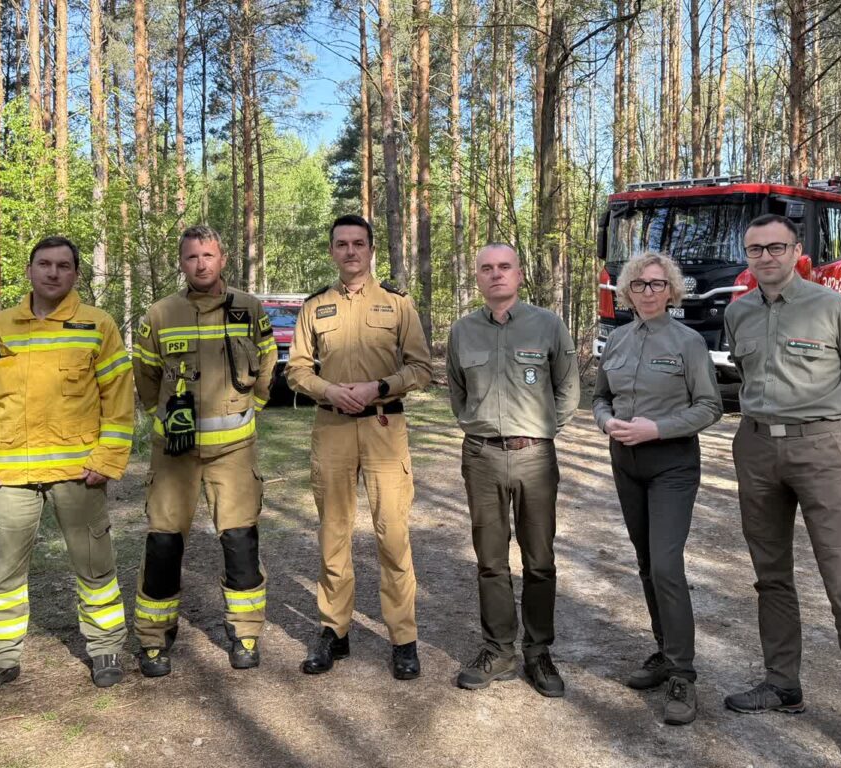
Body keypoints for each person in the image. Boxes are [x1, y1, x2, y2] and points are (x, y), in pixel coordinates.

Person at [723, 214, 841, 762]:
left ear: (797, 251)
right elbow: (746, 379)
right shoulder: (737, 312)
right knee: (770, 576)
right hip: (755, 449)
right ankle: (782, 685)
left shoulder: (834, 309)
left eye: (776, 247)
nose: (766, 257)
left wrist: (828, 439)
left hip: (820, 449)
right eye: (755, 249)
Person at [0, 236, 134, 699]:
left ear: (76, 273)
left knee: (95, 568)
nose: (53, 273)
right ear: (30, 270)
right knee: (2, 574)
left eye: (63, 265)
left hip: (79, 472)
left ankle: (106, 649)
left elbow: (118, 401)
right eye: (45, 264)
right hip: (11, 475)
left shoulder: (97, 325)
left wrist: (107, 459)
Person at [285, 214, 432, 680]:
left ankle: (403, 639)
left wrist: (379, 387)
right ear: (332, 251)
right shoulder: (315, 307)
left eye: (358, 243)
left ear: (371, 250)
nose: (350, 251)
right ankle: (334, 632)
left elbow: (421, 368)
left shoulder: (397, 304)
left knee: (392, 534)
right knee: (333, 533)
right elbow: (296, 370)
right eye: (342, 244)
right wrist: (328, 390)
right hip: (331, 428)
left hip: (384, 427)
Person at [132, 225, 276, 676]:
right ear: (182, 262)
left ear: (223, 259)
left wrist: (253, 407)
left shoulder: (249, 309)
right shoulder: (160, 314)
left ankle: (245, 633)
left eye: (208, 255)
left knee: (240, 542)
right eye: (192, 257)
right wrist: (165, 417)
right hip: (173, 455)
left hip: (233, 452)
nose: (201, 264)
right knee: (163, 544)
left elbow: (267, 361)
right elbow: (145, 377)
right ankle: (154, 638)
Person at [591, 252, 722, 725]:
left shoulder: (688, 342)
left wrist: (658, 428)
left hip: (672, 464)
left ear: (671, 290)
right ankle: (665, 651)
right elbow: (600, 396)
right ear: (627, 292)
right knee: (647, 562)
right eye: (639, 284)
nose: (648, 292)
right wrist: (606, 421)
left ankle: (683, 673)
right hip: (626, 463)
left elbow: (710, 406)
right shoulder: (617, 339)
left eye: (657, 284)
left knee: (666, 565)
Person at [446, 243, 579, 698]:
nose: (496, 274)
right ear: (478, 277)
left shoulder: (548, 325)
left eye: (504, 267)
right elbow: (458, 392)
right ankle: (499, 649)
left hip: (535, 458)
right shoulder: (462, 331)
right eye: (487, 268)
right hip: (481, 456)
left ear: (519, 275)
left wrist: (543, 431)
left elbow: (567, 388)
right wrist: (480, 427)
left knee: (539, 560)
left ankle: (538, 652)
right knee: (490, 560)